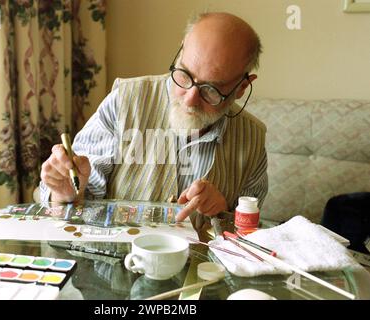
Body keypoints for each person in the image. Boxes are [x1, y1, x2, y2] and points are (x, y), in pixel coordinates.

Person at [39, 12, 268, 237]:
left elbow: (249, 243)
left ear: (241, 88)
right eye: (185, 74)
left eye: (211, 90)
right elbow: (78, 211)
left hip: (199, 272)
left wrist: (221, 213)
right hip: (119, 265)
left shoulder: (252, 139)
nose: (189, 99)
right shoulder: (125, 102)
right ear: (180, 51)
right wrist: (63, 193)